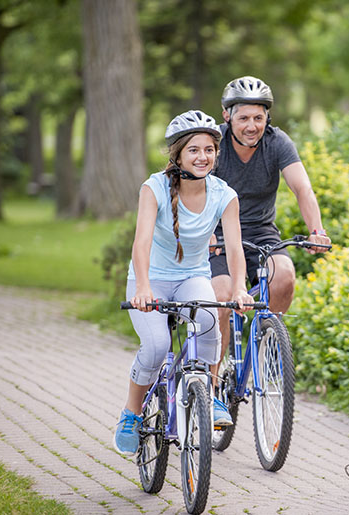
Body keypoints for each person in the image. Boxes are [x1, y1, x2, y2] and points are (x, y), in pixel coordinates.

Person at [114, 110, 254, 455]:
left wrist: (238, 288)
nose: (202, 157)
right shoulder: (155, 187)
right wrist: (143, 287)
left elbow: (234, 248)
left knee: (208, 323)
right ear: (177, 155)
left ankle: (206, 393)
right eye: (193, 150)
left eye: (209, 150)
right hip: (151, 280)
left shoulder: (224, 194)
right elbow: (141, 241)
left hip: (193, 276)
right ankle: (131, 413)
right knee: (158, 346)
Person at [209, 76, 330, 376]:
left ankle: (265, 341)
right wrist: (207, 233)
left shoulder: (277, 143)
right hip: (217, 236)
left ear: (267, 118)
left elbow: (302, 189)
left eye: (258, 118)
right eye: (244, 118)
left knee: (285, 277)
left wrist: (316, 230)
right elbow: (193, 193)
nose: (252, 126)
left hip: (261, 233)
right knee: (222, 294)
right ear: (227, 116)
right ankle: (216, 375)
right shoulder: (213, 144)